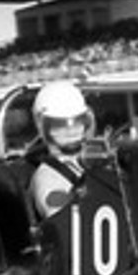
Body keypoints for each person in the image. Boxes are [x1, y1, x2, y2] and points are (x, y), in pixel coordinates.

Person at [27, 79, 94, 221]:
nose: (72, 130)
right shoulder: (47, 178)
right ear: (44, 127)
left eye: (78, 121)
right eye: (60, 125)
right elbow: (65, 223)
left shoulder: (94, 158)